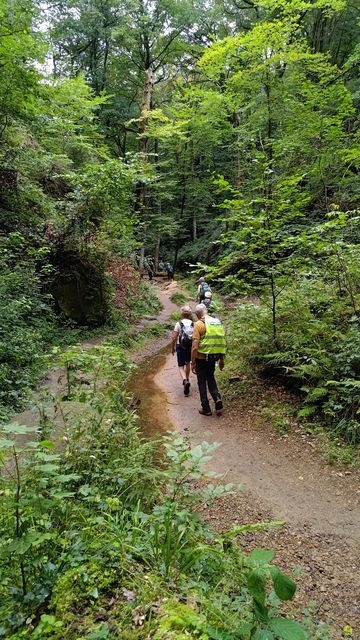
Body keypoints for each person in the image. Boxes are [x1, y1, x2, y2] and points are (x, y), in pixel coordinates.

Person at [191, 304, 226, 416]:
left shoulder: (199, 324)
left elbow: (195, 346)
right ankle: (217, 398)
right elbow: (221, 341)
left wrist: (193, 362)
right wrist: (221, 359)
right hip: (213, 356)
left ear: (197, 314)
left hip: (201, 357)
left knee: (201, 382)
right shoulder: (217, 322)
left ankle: (206, 408)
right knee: (210, 377)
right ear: (206, 311)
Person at [172, 305, 194, 396]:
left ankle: (184, 380)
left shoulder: (178, 323)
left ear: (181, 313)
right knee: (188, 363)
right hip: (189, 346)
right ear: (189, 314)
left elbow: (174, 337)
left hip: (180, 345)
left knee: (181, 365)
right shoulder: (193, 324)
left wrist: (172, 348)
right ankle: (187, 379)